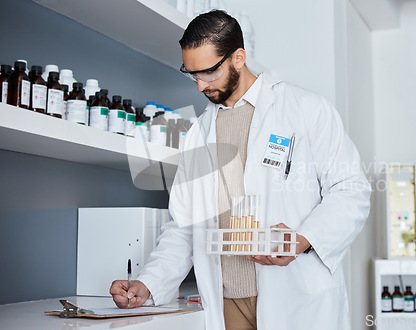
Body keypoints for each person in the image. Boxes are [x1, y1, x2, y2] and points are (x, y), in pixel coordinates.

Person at [110, 9, 371, 330]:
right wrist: (148, 282)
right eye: (192, 74)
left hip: (294, 294)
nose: (199, 86)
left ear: (238, 57)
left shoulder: (304, 108)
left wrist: (303, 239)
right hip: (226, 302)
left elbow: (350, 190)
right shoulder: (198, 133)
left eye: (208, 72)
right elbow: (185, 226)